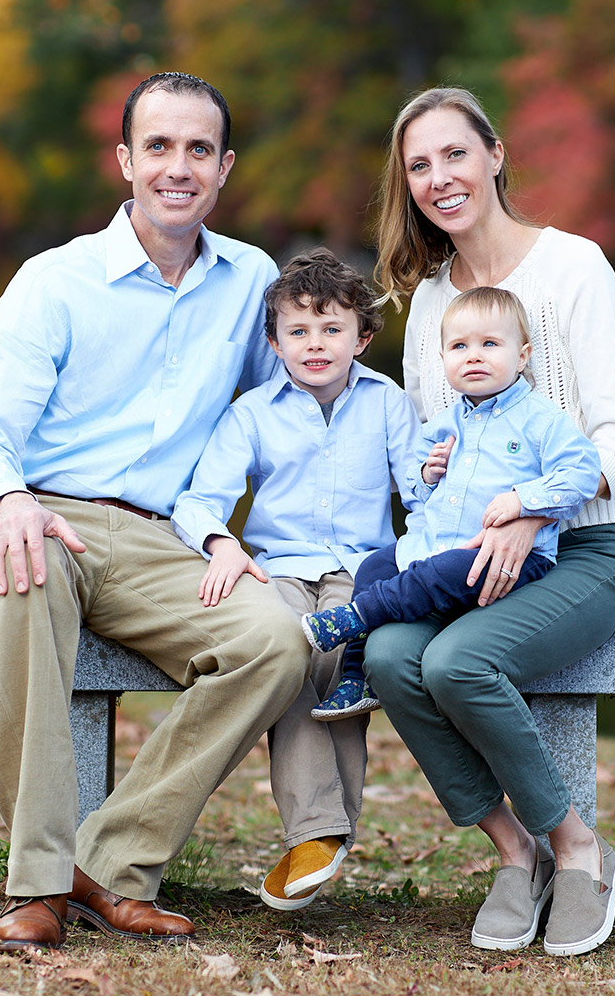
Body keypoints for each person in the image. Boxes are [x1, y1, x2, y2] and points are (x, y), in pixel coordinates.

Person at [0, 72, 311, 952]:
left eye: (198, 150)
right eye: (158, 147)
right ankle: (37, 885)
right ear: (125, 161)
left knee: (276, 639)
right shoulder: (55, 281)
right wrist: (8, 500)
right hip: (41, 518)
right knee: (23, 574)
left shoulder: (251, 282)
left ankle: (108, 863)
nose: (178, 168)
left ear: (224, 168)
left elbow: (290, 412)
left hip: (161, 539)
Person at [363, 87, 615, 957]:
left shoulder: (574, 268)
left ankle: (579, 849)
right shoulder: (429, 304)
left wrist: (532, 510)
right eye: (419, 165)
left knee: (459, 661)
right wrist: (430, 475)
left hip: (588, 544)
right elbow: (432, 455)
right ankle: (514, 851)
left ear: (495, 154)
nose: (440, 178)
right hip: (468, 551)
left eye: (455, 153)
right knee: (388, 656)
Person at [170, 247, 422, 912]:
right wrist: (221, 543)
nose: (316, 344)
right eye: (299, 330)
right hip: (276, 568)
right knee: (281, 652)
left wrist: (436, 489)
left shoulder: (388, 403)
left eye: (332, 328)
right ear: (275, 342)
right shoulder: (252, 413)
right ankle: (322, 832)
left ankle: (316, 834)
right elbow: (198, 502)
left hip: (362, 568)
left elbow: (423, 496)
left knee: (339, 656)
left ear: (361, 338)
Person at [299, 286, 609, 714]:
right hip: (437, 547)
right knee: (373, 566)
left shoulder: (541, 421)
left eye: (490, 344)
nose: (474, 356)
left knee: (440, 570)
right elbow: (416, 494)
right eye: (460, 347)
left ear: (522, 356)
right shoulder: (443, 426)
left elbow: (583, 473)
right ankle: (355, 677)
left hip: (503, 558)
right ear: (443, 358)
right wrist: (427, 475)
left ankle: (358, 616)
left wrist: (523, 501)